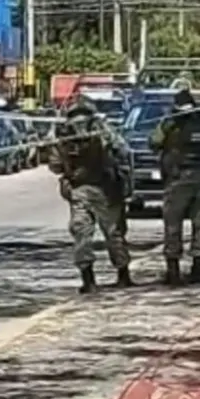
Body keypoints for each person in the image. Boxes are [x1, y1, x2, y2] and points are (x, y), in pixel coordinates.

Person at [48, 98, 133, 294]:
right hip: (104, 190)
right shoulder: (103, 129)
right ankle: (123, 276)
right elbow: (123, 151)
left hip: (83, 191)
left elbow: (55, 165)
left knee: (82, 233)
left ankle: (89, 280)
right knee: (112, 233)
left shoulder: (64, 134)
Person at [150, 89, 200, 286]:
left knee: (173, 224)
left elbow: (154, 142)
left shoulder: (171, 121)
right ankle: (197, 271)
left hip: (178, 178)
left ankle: (173, 273)